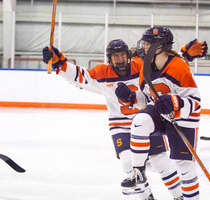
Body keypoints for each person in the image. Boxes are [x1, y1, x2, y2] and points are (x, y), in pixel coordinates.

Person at [42, 39, 184, 200]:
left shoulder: (141, 66)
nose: (119, 59)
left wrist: (186, 54)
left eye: (122, 55)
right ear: (109, 59)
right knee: (127, 162)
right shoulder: (102, 72)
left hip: (146, 121)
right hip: (120, 125)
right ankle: (146, 197)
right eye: (115, 56)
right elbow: (81, 76)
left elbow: (164, 63)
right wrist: (60, 62)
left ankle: (179, 196)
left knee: (160, 161)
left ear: (128, 56)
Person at [116, 27, 206, 200]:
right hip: (161, 114)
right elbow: (147, 97)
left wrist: (176, 102)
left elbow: (195, 102)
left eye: (148, 43)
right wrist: (132, 96)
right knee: (140, 120)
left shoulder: (178, 66)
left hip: (183, 120)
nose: (143, 47)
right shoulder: (146, 68)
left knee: (184, 166)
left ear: (160, 46)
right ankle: (139, 173)